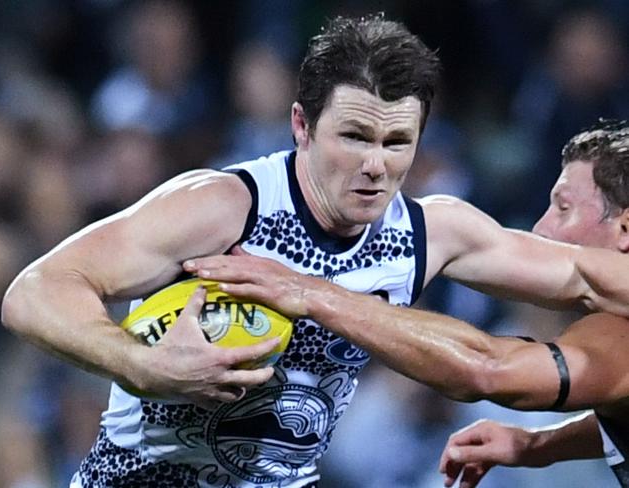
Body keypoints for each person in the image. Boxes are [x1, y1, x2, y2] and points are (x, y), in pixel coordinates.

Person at [0, 12, 629, 486]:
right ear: (302, 124)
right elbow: (35, 292)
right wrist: (139, 365)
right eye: (353, 136)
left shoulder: (432, 231)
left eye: (397, 142)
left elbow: (587, 275)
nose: (376, 166)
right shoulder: (225, 206)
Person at [185, 120, 629, 487]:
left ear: (625, 230)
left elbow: (487, 367)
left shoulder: (619, 333)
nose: (541, 227)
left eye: (563, 208)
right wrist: (537, 445)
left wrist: (313, 294)